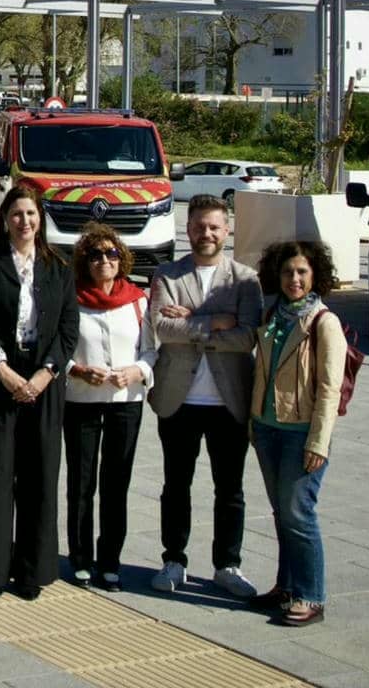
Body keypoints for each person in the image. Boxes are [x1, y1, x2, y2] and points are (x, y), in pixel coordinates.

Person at [0, 183, 78, 599]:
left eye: (31, 214)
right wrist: (3, 371)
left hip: (44, 382)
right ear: (4, 218)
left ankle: (32, 570)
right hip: (0, 378)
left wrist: (45, 374)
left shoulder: (59, 266)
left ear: (40, 219)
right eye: (16, 214)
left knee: (40, 475)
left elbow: (69, 328)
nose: (24, 222)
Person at [146, 195, 261, 599]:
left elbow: (248, 335)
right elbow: (161, 328)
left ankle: (227, 564)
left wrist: (192, 322)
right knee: (176, 485)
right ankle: (173, 559)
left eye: (213, 227)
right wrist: (215, 322)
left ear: (226, 230)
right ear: (187, 228)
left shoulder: (245, 280)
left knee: (229, 489)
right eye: (198, 226)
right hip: (179, 399)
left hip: (229, 402)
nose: (205, 234)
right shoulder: (167, 275)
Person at [248, 240, 346, 628]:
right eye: (288, 272)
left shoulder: (324, 322)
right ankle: (286, 586)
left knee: (298, 513)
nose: (294, 279)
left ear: (314, 275)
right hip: (268, 428)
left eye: (302, 272)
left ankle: (311, 595)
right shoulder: (274, 314)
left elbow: (329, 389)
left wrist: (318, 442)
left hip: (301, 433)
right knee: (282, 513)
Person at [62, 225, 155, 591]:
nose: (104, 260)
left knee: (116, 484)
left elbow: (152, 350)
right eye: (96, 255)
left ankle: (111, 559)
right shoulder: (71, 298)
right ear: (84, 261)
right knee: (81, 483)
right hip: (81, 400)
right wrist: (79, 370)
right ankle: (81, 559)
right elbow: (59, 349)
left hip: (125, 402)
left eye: (111, 254)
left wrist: (138, 371)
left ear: (122, 259)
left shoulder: (138, 300)